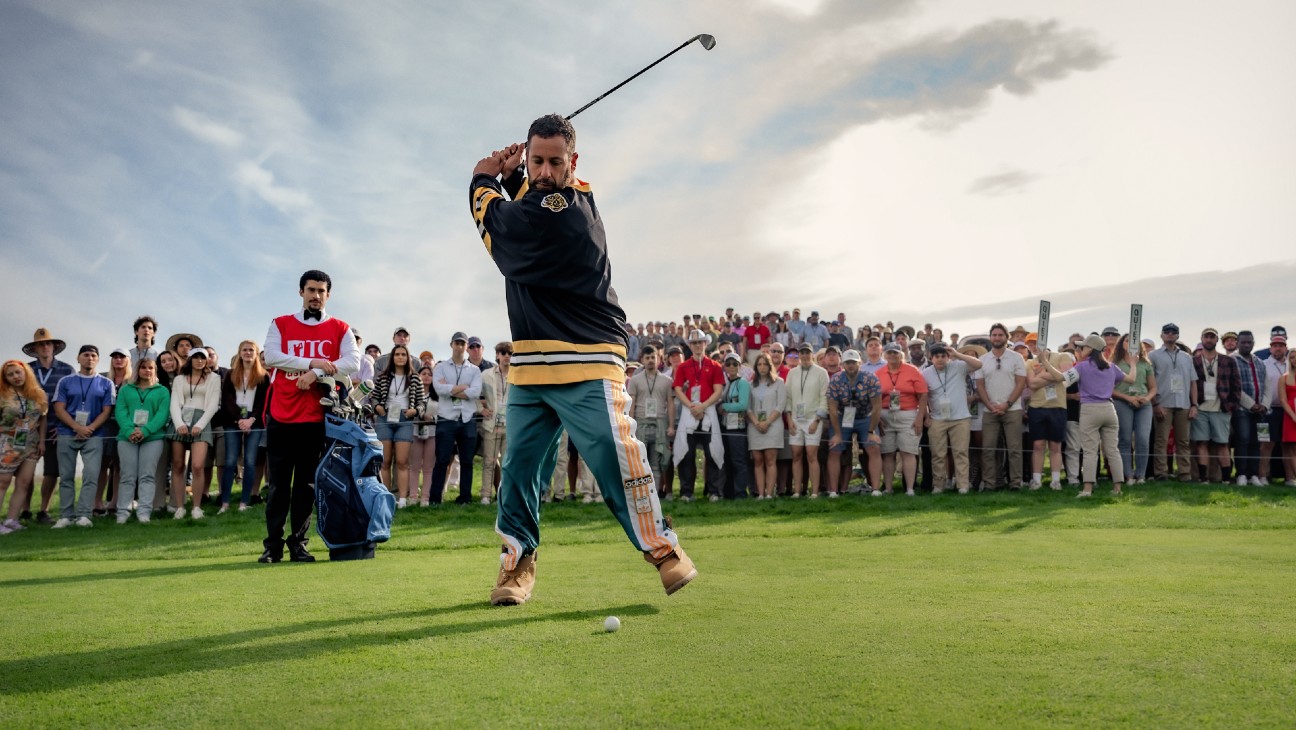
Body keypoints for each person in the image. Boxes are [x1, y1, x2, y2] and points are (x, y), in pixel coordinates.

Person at [470, 115, 695, 604]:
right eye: (536, 161)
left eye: (555, 162)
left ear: (574, 162)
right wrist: (511, 179)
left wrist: (484, 179)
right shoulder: (540, 197)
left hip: (586, 355)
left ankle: (664, 550)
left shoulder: (566, 208)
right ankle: (517, 563)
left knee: (615, 455)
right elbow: (524, 205)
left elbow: (507, 231)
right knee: (519, 470)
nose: (546, 171)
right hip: (531, 361)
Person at [260, 269, 360, 563]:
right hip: (280, 415)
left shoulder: (341, 328)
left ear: (328, 295)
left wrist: (315, 373)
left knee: (306, 486)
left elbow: (353, 362)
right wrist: (313, 361)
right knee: (277, 486)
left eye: (321, 291)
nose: (316, 296)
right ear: (301, 292)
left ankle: (298, 544)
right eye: (311, 290)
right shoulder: (280, 323)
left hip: (316, 418)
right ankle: (272, 546)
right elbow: (272, 356)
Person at [50, 345, 116, 528]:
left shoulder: (105, 383)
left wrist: (89, 428)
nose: (90, 358)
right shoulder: (65, 381)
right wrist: (77, 427)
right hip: (67, 433)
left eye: (93, 355)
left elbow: (107, 410)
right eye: (86, 355)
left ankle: (84, 515)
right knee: (66, 476)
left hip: (94, 435)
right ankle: (65, 515)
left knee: (91, 475)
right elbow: (59, 408)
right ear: (78, 358)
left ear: (98, 359)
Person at [1071, 335, 1139, 497]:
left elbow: (1061, 379)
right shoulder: (1111, 367)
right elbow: (1131, 379)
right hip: (1109, 410)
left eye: (1083, 347)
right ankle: (1117, 489)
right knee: (1113, 450)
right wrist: (1134, 364)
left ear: (1090, 349)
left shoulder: (1081, 367)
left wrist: (1045, 361)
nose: (1080, 350)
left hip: (1089, 410)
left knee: (1089, 451)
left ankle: (1087, 489)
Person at [23, 327, 73, 525]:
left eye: (48, 343)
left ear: (54, 346)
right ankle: (25, 510)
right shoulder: (26, 370)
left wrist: (63, 425)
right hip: (28, 429)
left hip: (56, 429)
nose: (44, 347)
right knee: (26, 473)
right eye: (40, 344)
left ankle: (43, 510)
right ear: (35, 349)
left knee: (51, 472)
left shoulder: (67, 370)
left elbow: (73, 399)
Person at [112, 358, 169, 524]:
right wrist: (130, 430)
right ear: (137, 370)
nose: (147, 370)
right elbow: (121, 412)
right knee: (127, 476)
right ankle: (122, 512)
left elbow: (162, 414)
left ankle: (144, 512)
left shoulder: (162, 391)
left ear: (155, 370)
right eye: (143, 367)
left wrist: (145, 430)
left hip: (152, 437)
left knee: (147, 476)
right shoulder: (126, 389)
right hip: (127, 437)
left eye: (150, 368)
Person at [922, 344, 983, 494]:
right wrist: (926, 415)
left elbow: (979, 364)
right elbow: (922, 397)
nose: (940, 359)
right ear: (931, 358)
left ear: (948, 356)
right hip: (937, 418)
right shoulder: (925, 373)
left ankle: (963, 485)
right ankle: (938, 485)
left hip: (960, 417)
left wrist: (957, 354)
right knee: (938, 454)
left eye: (943, 356)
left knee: (961, 452)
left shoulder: (958, 366)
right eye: (937, 356)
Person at [167, 349, 220, 519]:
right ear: (190, 359)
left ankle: (196, 507)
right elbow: (174, 403)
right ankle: (180, 507)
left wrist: (200, 424)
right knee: (178, 465)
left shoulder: (214, 378)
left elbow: (213, 404)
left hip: (201, 421)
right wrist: (179, 424)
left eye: (202, 357)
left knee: (197, 466)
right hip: (180, 422)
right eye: (196, 357)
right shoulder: (179, 379)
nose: (199, 361)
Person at [372, 344, 426, 508]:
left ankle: (402, 499)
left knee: (402, 462)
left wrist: (415, 411)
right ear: (392, 358)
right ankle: (386, 498)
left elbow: (422, 402)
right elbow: (374, 397)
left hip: (405, 419)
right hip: (384, 418)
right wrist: (377, 407)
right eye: (397, 355)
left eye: (403, 354)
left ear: (408, 357)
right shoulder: (382, 377)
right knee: (385, 461)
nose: (400, 357)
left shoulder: (415, 378)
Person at [431, 332, 482, 504]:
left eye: (463, 344)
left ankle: (465, 498)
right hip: (446, 418)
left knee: (467, 461)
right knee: (442, 460)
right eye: (457, 343)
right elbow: (439, 389)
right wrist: (462, 388)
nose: (460, 347)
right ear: (451, 345)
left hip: (467, 418)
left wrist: (451, 388)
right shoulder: (441, 367)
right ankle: (435, 498)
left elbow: (475, 392)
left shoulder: (474, 370)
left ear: (467, 347)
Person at [975, 323, 1028, 490]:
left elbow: (1020, 384)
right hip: (990, 410)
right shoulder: (982, 360)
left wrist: (1007, 404)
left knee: (1014, 449)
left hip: (1012, 409)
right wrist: (990, 405)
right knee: (988, 449)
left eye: (1000, 335)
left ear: (1007, 338)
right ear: (990, 338)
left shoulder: (1016, 358)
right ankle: (991, 484)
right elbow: (980, 386)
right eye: (994, 335)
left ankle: (1015, 483)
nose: (997, 338)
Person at [219, 340, 269, 513]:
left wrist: (251, 420)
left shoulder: (263, 376)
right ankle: (225, 502)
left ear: (256, 353)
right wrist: (240, 419)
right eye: (244, 350)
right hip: (233, 421)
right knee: (231, 460)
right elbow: (227, 400)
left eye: (251, 350)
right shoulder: (231, 374)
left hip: (254, 423)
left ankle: (244, 502)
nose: (248, 353)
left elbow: (263, 402)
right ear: (239, 353)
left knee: (250, 461)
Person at [826, 349, 882, 496]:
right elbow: (832, 409)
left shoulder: (871, 378)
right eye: (848, 362)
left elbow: (877, 407)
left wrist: (871, 432)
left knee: (873, 447)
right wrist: (837, 434)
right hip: (842, 417)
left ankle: (876, 489)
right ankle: (833, 491)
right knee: (835, 449)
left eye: (854, 362)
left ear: (860, 363)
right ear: (843, 364)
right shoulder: (836, 380)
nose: (851, 365)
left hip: (865, 417)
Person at [0, 361, 47, 534]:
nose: (15, 377)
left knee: (25, 482)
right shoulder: (3, 395)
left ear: (26, 372)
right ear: (5, 378)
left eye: (18, 373)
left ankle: (12, 520)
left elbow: (43, 419)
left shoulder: (38, 394)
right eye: (10, 374)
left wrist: (42, 441)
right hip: (8, 443)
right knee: (2, 482)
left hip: (31, 444)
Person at [877, 342, 928, 495]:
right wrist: (877, 418)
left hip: (908, 415)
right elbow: (875, 397)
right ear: (885, 355)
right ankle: (888, 488)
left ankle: (910, 488)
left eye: (895, 353)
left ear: (901, 354)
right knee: (888, 453)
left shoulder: (912, 371)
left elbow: (923, 394)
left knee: (908, 452)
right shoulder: (879, 373)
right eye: (889, 353)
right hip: (886, 415)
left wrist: (920, 417)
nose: (892, 356)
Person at [1150, 323, 1198, 482]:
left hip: (1183, 403)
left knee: (1183, 441)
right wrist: (1155, 404)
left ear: (1178, 336)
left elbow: (1193, 383)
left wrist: (1194, 405)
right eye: (1167, 332)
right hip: (1163, 402)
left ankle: (1185, 473)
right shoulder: (1153, 356)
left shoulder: (1186, 357)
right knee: (1161, 441)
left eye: (1173, 332)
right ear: (1161, 335)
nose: (1170, 334)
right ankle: (1161, 473)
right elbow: (1149, 382)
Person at [1192, 328, 1239, 483]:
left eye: (1212, 337)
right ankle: (1203, 478)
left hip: (1221, 408)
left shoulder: (1228, 361)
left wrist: (1230, 406)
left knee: (1222, 444)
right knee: (1201, 443)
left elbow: (1236, 386)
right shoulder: (1194, 361)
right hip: (1200, 407)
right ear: (1202, 339)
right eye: (1206, 337)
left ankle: (1226, 479)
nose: (1209, 340)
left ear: (1217, 340)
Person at [626, 346, 674, 497]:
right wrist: (630, 427)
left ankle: (654, 494)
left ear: (658, 359)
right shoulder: (634, 380)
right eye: (647, 358)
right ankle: (641, 494)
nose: (650, 361)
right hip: (640, 423)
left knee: (657, 462)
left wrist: (671, 426)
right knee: (640, 462)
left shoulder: (667, 381)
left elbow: (670, 404)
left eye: (653, 357)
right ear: (642, 360)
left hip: (660, 424)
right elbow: (631, 404)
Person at [1025, 345, 1074, 490]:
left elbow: (1065, 377)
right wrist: (1053, 375)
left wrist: (1044, 369)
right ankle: (1037, 480)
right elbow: (1032, 384)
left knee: (1055, 446)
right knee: (1038, 445)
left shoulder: (1063, 356)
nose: (1036, 348)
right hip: (1037, 407)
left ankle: (1055, 480)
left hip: (1057, 407)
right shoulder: (1030, 362)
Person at [785, 342, 830, 497]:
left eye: (807, 353)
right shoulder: (792, 373)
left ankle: (815, 492)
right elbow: (788, 397)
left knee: (811, 454)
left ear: (812, 354)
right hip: (796, 418)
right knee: (796, 454)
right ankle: (797, 491)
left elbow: (824, 397)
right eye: (802, 353)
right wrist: (789, 419)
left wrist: (817, 419)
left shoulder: (821, 372)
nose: (804, 355)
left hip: (813, 418)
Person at [1112, 335, 1156, 485]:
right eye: (1126, 340)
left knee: (1143, 439)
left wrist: (1147, 399)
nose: (1130, 343)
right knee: (1124, 439)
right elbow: (1110, 389)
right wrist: (1128, 398)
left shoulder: (1146, 363)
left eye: (1134, 341)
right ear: (1121, 344)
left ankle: (1141, 475)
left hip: (1143, 405)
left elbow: (1153, 388)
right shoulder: (1114, 364)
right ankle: (1128, 475)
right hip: (1122, 403)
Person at [94, 347, 132, 516]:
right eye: (115, 357)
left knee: (119, 465)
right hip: (104, 425)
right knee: (101, 464)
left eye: (122, 357)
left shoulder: (132, 381)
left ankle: (115, 502)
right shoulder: (102, 378)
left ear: (128, 360)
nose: (118, 360)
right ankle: (97, 502)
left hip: (123, 426)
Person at [747, 353, 786, 499]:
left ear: (770, 366)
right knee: (757, 459)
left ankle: (769, 493)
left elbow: (780, 405)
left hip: (773, 425)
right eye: (759, 364)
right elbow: (748, 407)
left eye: (765, 364)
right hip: (755, 425)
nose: (762, 367)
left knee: (770, 459)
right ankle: (760, 493)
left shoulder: (779, 382)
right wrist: (757, 422)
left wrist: (767, 422)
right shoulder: (751, 385)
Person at [478, 341, 513, 505]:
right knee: (489, 462)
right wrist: (481, 409)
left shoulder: (518, 374)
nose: (507, 356)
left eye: (510, 353)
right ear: (497, 355)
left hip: (511, 425)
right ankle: (485, 495)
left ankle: (505, 496)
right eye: (503, 353)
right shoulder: (486, 374)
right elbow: (473, 393)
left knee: (508, 463)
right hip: (491, 424)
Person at [1232, 331, 1268, 486]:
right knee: (1243, 440)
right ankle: (1241, 474)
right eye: (1243, 342)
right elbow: (1235, 387)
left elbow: (1268, 386)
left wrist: (1264, 405)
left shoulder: (1259, 361)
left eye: (1249, 342)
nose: (1246, 345)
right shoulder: (1232, 360)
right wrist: (1251, 404)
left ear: (1253, 343)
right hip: (1242, 410)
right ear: (1237, 343)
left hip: (1261, 411)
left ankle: (1253, 474)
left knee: (1257, 442)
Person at [717, 352, 751, 500]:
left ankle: (740, 492)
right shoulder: (726, 383)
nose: (731, 367)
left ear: (740, 366)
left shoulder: (743, 383)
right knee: (728, 460)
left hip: (737, 427)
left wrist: (724, 406)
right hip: (725, 426)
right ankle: (729, 492)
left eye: (734, 364)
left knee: (739, 461)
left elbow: (743, 405)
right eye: (728, 364)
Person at [409, 365, 437, 505]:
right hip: (415, 430)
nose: (426, 376)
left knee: (428, 466)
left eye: (429, 374)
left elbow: (443, 412)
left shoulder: (437, 395)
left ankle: (425, 497)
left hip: (432, 432)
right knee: (414, 466)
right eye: (423, 373)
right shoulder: (412, 393)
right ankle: (413, 496)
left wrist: (432, 418)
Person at [1279, 349, 1296, 486]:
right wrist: (1293, 416)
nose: (1294, 360)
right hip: (1290, 415)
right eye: (1292, 357)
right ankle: (1291, 478)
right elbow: (1283, 400)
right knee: (1291, 447)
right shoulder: (1284, 377)